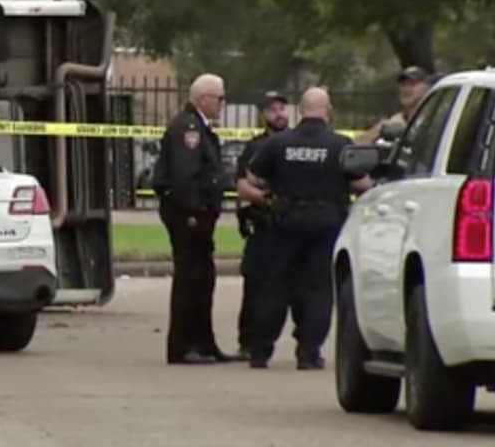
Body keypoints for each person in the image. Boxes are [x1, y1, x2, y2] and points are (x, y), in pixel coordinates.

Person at [242, 87, 373, 370]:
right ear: (328, 110)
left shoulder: (279, 143)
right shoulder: (340, 145)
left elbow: (253, 176)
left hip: (285, 221)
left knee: (273, 287)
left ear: (300, 110)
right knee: (318, 289)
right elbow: (362, 183)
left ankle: (260, 351)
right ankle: (308, 353)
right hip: (326, 222)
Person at [151, 73, 235, 365]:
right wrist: (192, 212)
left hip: (200, 213)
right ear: (203, 98)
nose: (223, 104)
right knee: (190, 279)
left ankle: (204, 342)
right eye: (220, 98)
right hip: (189, 215)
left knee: (203, 279)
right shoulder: (189, 128)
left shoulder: (200, 126)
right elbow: (185, 175)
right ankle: (184, 345)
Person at [233, 90, 296, 360]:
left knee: (298, 286)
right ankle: (248, 341)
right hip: (263, 223)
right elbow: (241, 184)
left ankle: (304, 343)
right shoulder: (254, 147)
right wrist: (262, 199)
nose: (278, 114)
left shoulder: (297, 143)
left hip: (293, 224)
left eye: (281, 108)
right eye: (271, 109)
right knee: (255, 283)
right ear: (263, 115)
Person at [356, 65, 430, 144]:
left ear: (426, 87)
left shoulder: (432, 120)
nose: (406, 89)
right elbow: (358, 145)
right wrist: (380, 130)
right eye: (403, 84)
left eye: (412, 84)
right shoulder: (393, 122)